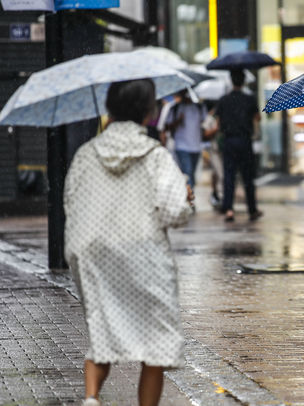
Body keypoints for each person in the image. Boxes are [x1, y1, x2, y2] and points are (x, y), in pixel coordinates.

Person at [64, 79, 194, 406]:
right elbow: (174, 212)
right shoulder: (154, 155)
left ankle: (92, 398)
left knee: (102, 330)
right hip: (144, 256)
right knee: (155, 342)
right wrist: (186, 197)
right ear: (148, 112)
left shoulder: (86, 154)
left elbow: (70, 202)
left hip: (94, 256)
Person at [214, 69, 262, 222]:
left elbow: (219, 123)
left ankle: (229, 209)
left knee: (229, 176)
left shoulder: (223, 100)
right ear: (243, 81)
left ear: (231, 81)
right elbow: (257, 118)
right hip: (245, 140)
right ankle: (252, 210)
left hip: (229, 141)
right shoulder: (250, 99)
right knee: (248, 176)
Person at [163, 90, 209, 189]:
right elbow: (166, 127)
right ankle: (190, 202)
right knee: (187, 172)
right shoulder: (175, 108)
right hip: (181, 146)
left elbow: (205, 124)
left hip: (196, 146)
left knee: (191, 174)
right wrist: (178, 121)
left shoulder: (199, 107)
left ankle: (189, 196)